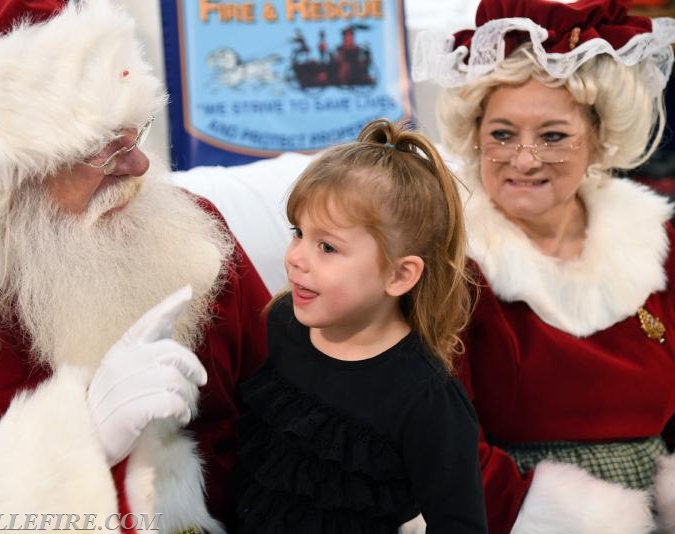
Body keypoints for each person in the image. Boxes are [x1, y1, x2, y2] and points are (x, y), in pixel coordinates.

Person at [0, 0, 269, 532]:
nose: (139, 165)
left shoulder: (194, 232)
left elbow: (285, 405)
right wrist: (75, 447)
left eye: (134, 131)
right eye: (104, 151)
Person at [413, 0, 675, 532]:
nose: (525, 159)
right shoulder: (449, 262)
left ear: (598, 140)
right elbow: (438, 441)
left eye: (553, 136)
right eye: (503, 134)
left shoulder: (658, 241)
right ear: (475, 135)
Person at [232, 118, 488, 533]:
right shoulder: (283, 324)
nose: (296, 257)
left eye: (327, 247)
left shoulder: (427, 400)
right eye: (298, 233)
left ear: (399, 275)